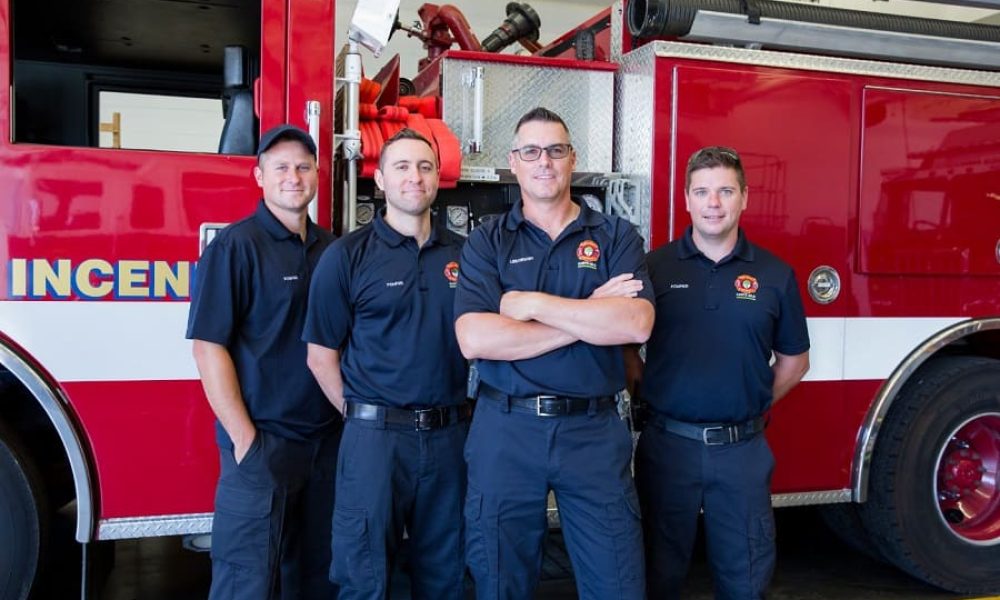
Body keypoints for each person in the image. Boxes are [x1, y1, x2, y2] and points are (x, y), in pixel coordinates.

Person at [454, 107, 654, 600]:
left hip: (592, 433)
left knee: (618, 584)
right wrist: (588, 314)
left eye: (556, 150)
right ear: (514, 163)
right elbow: (476, 339)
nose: (544, 162)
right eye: (532, 152)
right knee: (499, 581)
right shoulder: (487, 242)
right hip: (506, 432)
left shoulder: (614, 236)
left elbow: (635, 322)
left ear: (573, 160)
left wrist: (533, 305)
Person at [630, 146, 811, 599]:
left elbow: (795, 361)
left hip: (741, 453)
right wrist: (650, 390)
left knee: (745, 575)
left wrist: (749, 400)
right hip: (666, 448)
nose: (714, 203)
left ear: (745, 197)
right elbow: (625, 347)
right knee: (657, 572)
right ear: (686, 200)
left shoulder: (775, 275)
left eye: (725, 191)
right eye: (703, 191)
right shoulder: (654, 268)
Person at [303, 128, 470, 600]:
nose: (414, 177)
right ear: (380, 181)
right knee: (364, 577)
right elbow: (320, 356)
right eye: (401, 167)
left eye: (424, 166)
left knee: (446, 575)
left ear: (438, 178)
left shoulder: (467, 255)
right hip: (374, 442)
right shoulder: (346, 257)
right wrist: (362, 416)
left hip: (450, 439)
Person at [186, 124, 342, 600]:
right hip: (264, 446)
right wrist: (245, 440)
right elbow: (207, 346)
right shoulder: (235, 248)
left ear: (317, 174)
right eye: (281, 168)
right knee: (246, 582)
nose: (293, 177)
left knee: (317, 577)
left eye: (302, 166)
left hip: (326, 446)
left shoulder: (334, 250)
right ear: (259, 176)